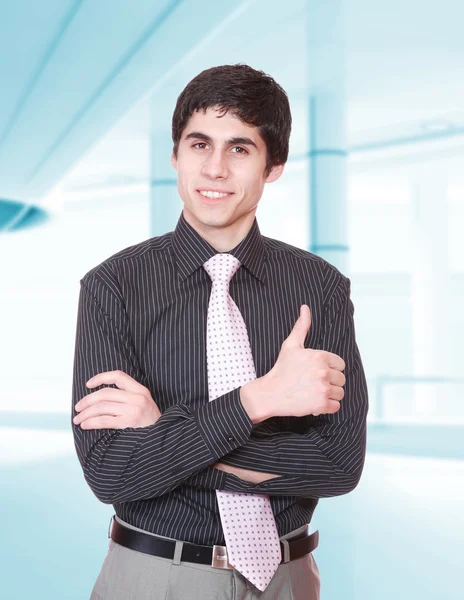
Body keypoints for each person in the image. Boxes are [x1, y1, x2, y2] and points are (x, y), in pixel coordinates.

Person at [71, 63, 369, 600]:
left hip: (289, 578)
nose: (214, 169)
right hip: (152, 577)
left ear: (272, 165)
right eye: (198, 144)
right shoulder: (112, 286)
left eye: (239, 149)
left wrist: (164, 434)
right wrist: (258, 400)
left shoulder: (319, 287)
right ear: (175, 155)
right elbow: (111, 473)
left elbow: (337, 466)